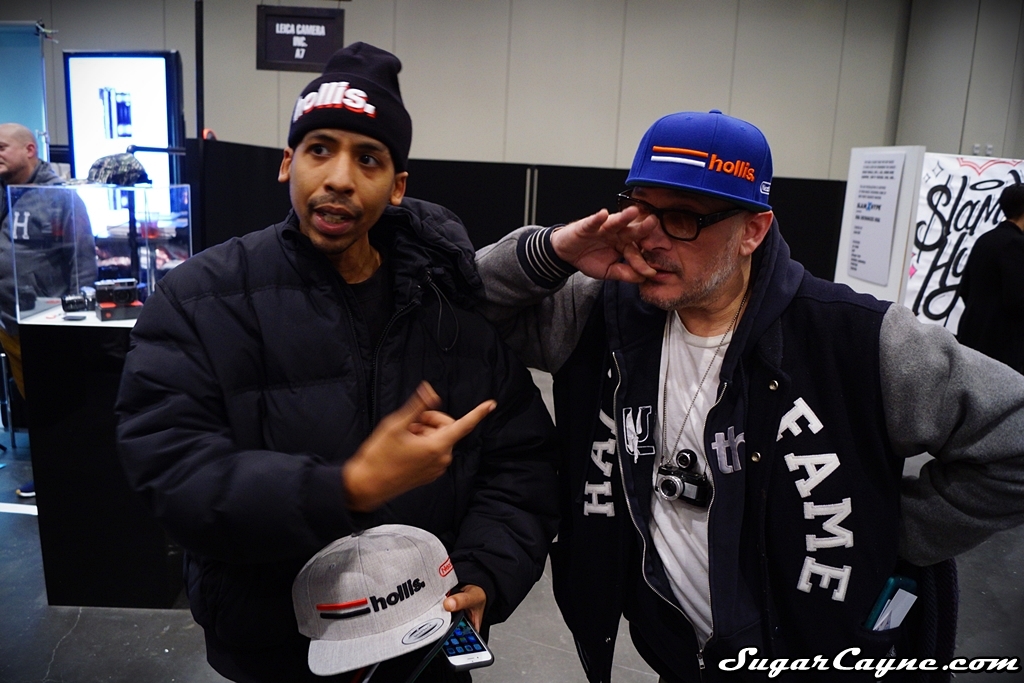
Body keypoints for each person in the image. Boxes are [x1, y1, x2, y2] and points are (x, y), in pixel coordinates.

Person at [476, 110, 1024, 681]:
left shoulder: (859, 340)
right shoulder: (598, 311)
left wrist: (886, 529)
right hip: (678, 657)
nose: (649, 237)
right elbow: (469, 308)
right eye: (640, 208)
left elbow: (1015, 437)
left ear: (753, 231)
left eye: (682, 218)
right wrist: (553, 252)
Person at [115, 43, 559, 683]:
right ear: (287, 162)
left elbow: (522, 464)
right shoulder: (198, 300)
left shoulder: (447, 309)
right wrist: (346, 488)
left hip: (425, 646)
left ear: (398, 186)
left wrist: (484, 574)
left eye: (368, 158)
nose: (341, 178)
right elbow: (172, 473)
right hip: (276, 650)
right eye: (319, 149)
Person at [0, 122, 96, 498]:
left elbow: (82, 260)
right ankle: (49, 473)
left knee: (57, 408)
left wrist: (76, 316)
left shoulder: (59, 198)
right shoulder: (2, 192)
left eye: (1, 147)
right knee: (33, 404)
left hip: (46, 325)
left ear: (29, 150)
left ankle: (63, 478)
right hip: (8, 321)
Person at [955, 182, 1024, 373]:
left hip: (971, 336)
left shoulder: (985, 239)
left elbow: (965, 289)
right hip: (1001, 348)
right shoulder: (1016, 244)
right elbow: (1017, 300)